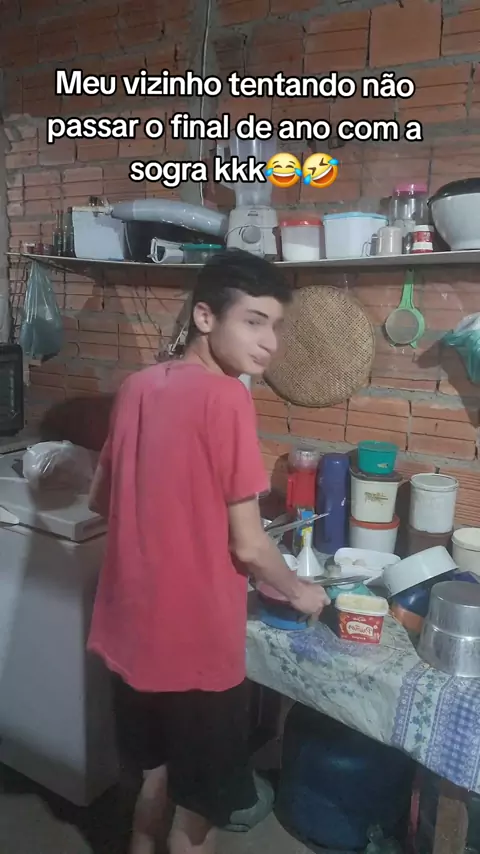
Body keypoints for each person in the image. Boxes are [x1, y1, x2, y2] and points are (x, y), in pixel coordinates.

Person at [87, 249, 330, 854]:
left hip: (129, 630)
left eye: (276, 325)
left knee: (152, 777)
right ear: (204, 317)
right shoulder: (227, 398)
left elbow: (106, 502)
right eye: (253, 321)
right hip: (195, 644)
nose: (269, 342)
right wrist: (299, 590)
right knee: (199, 813)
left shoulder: (138, 386)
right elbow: (248, 543)